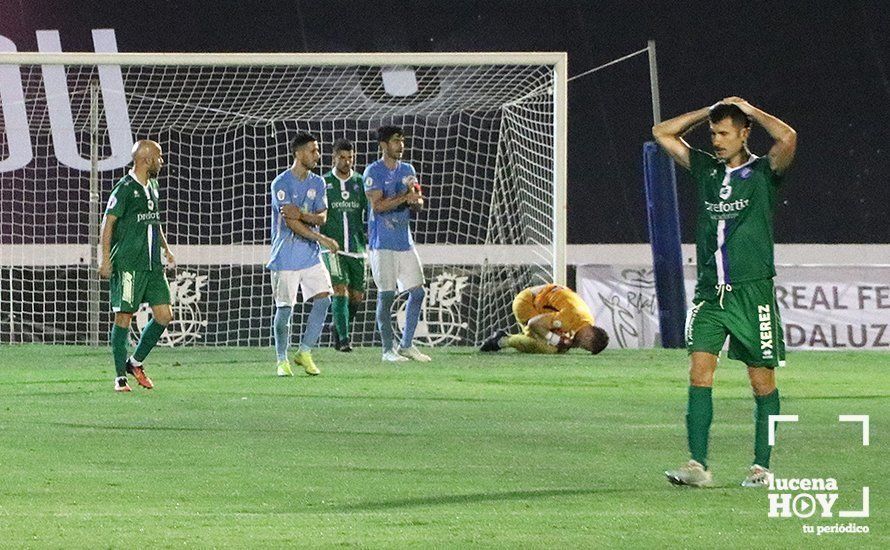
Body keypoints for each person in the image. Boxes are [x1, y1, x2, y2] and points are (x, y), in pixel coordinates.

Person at [652, 97, 797, 488]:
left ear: (744, 132)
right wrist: (707, 111)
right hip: (710, 295)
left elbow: (787, 136)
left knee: (762, 384)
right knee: (699, 373)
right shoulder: (705, 170)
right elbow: (661, 132)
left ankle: (761, 468)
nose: (716, 140)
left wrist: (749, 108)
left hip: (753, 296)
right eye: (713, 133)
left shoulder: (765, 172)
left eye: (724, 133)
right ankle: (697, 466)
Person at [98, 140, 175, 392]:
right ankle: (120, 376)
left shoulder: (152, 185)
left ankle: (135, 361)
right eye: (159, 157)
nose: (161, 161)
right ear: (146, 159)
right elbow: (107, 224)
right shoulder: (124, 189)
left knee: (164, 315)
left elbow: (154, 221)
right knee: (124, 317)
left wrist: (165, 247)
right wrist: (105, 258)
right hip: (129, 265)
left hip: (152, 265)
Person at [268, 132, 340, 377]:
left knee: (324, 299)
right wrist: (322, 238)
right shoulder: (280, 183)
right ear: (298, 153)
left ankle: (305, 352)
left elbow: (322, 217)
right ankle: (281, 359)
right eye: (312, 151)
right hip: (285, 256)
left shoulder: (318, 183)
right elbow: (291, 223)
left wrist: (302, 214)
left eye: (317, 150)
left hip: (310, 256)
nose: (317, 155)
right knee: (285, 309)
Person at [364, 126, 430, 362]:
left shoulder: (408, 170)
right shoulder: (373, 171)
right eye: (395, 141)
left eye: (402, 141)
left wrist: (416, 201)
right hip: (382, 244)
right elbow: (377, 206)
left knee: (418, 292)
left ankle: (406, 345)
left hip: (405, 241)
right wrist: (404, 197)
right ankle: (387, 351)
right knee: (386, 296)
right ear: (383, 145)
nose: (400, 145)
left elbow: (419, 201)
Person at [320, 139, 368, 352]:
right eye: (342, 157)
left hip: (357, 248)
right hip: (333, 248)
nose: (347, 161)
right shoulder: (324, 182)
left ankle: (338, 326)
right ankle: (344, 338)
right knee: (340, 289)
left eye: (350, 158)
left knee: (357, 295)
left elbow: (372, 211)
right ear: (334, 158)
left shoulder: (360, 182)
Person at [480, 284, 609, 354]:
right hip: (526, 302)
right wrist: (556, 340)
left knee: (560, 348)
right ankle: (503, 340)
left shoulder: (586, 321)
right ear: (588, 337)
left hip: (542, 303)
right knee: (548, 348)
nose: (579, 347)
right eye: (584, 346)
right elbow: (534, 323)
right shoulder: (569, 318)